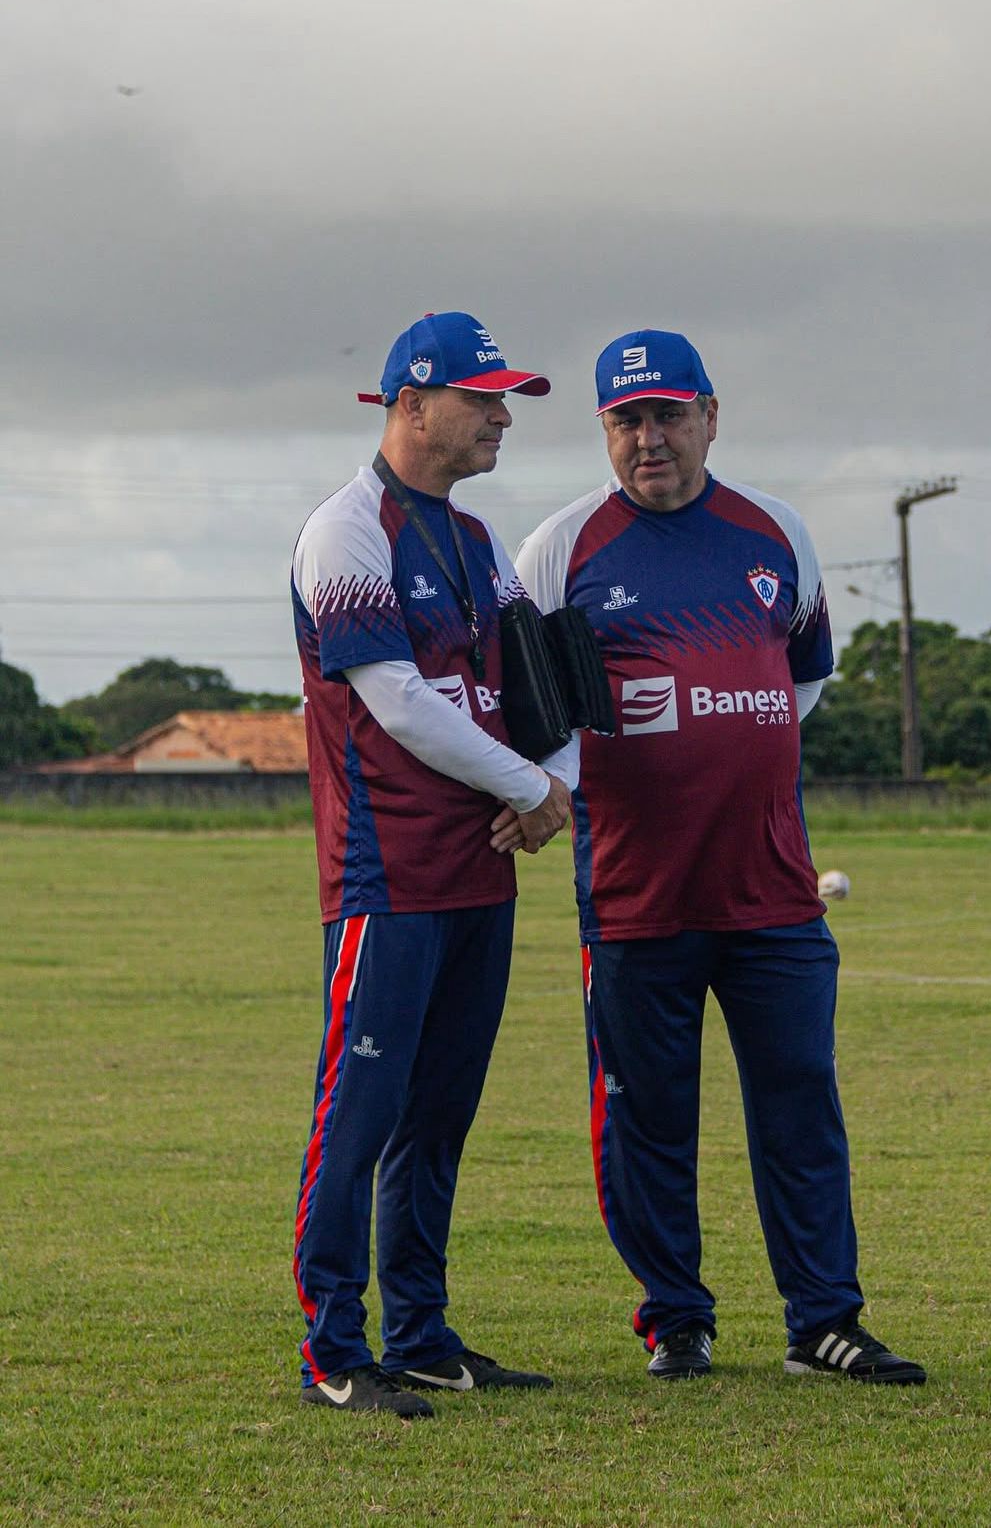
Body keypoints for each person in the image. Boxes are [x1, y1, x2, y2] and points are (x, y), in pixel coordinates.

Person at [514, 329, 925, 1385]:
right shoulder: (559, 550)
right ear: (605, 429)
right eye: (625, 419)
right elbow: (537, 714)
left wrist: (729, 746)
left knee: (799, 1099)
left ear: (709, 415)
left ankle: (823, 1320)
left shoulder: (775, 530)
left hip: (772, 889)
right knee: (648, 1113)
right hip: (637, 893)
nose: (648, 437)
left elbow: (800, 677)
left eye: (667, 414)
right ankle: (676, 1317)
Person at [290, 311, 575, 1417]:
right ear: (411, 404)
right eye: (483, 397)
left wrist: (558, 791)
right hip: (386, 878)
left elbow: (539, 680)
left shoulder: (476, 539)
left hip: (481, 874)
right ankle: (332, 1345)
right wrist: (528, 788)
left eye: (506, 398)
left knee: (439, 1115)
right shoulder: (346, 531)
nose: (503, 415)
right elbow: (399, 701)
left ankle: (417, 1331)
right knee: (358, 1110)